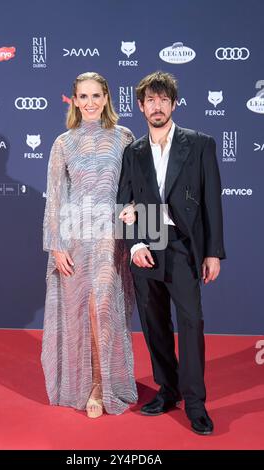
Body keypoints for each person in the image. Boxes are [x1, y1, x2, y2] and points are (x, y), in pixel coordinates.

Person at [117, 71, 226, 435]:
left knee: (191, 324)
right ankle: (168, 390)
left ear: (174, 104)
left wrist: (213, 253)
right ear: (140, 105)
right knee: (154, 324)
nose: (157, 106)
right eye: (150, 100)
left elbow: (212, 201)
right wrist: (134, 244)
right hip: (147, 246)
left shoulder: (199, 144)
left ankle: (196, 404)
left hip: (182, 246)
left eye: (164, 100)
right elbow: (123, 203)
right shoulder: (132, 152)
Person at [42, 72, 138, 418]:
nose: (90, 103)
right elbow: (54, 199)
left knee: (102, 308)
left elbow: (138, 187)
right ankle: (84, 383)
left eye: (96, 95)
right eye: (83, 96)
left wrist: (136, 209)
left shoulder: (124, 137)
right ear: (74, 100)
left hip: (111, 239)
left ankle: (101, 385)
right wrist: (56, 246)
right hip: (75, 237)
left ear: (107, 97)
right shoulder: (62, 143)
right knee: (80, 313)